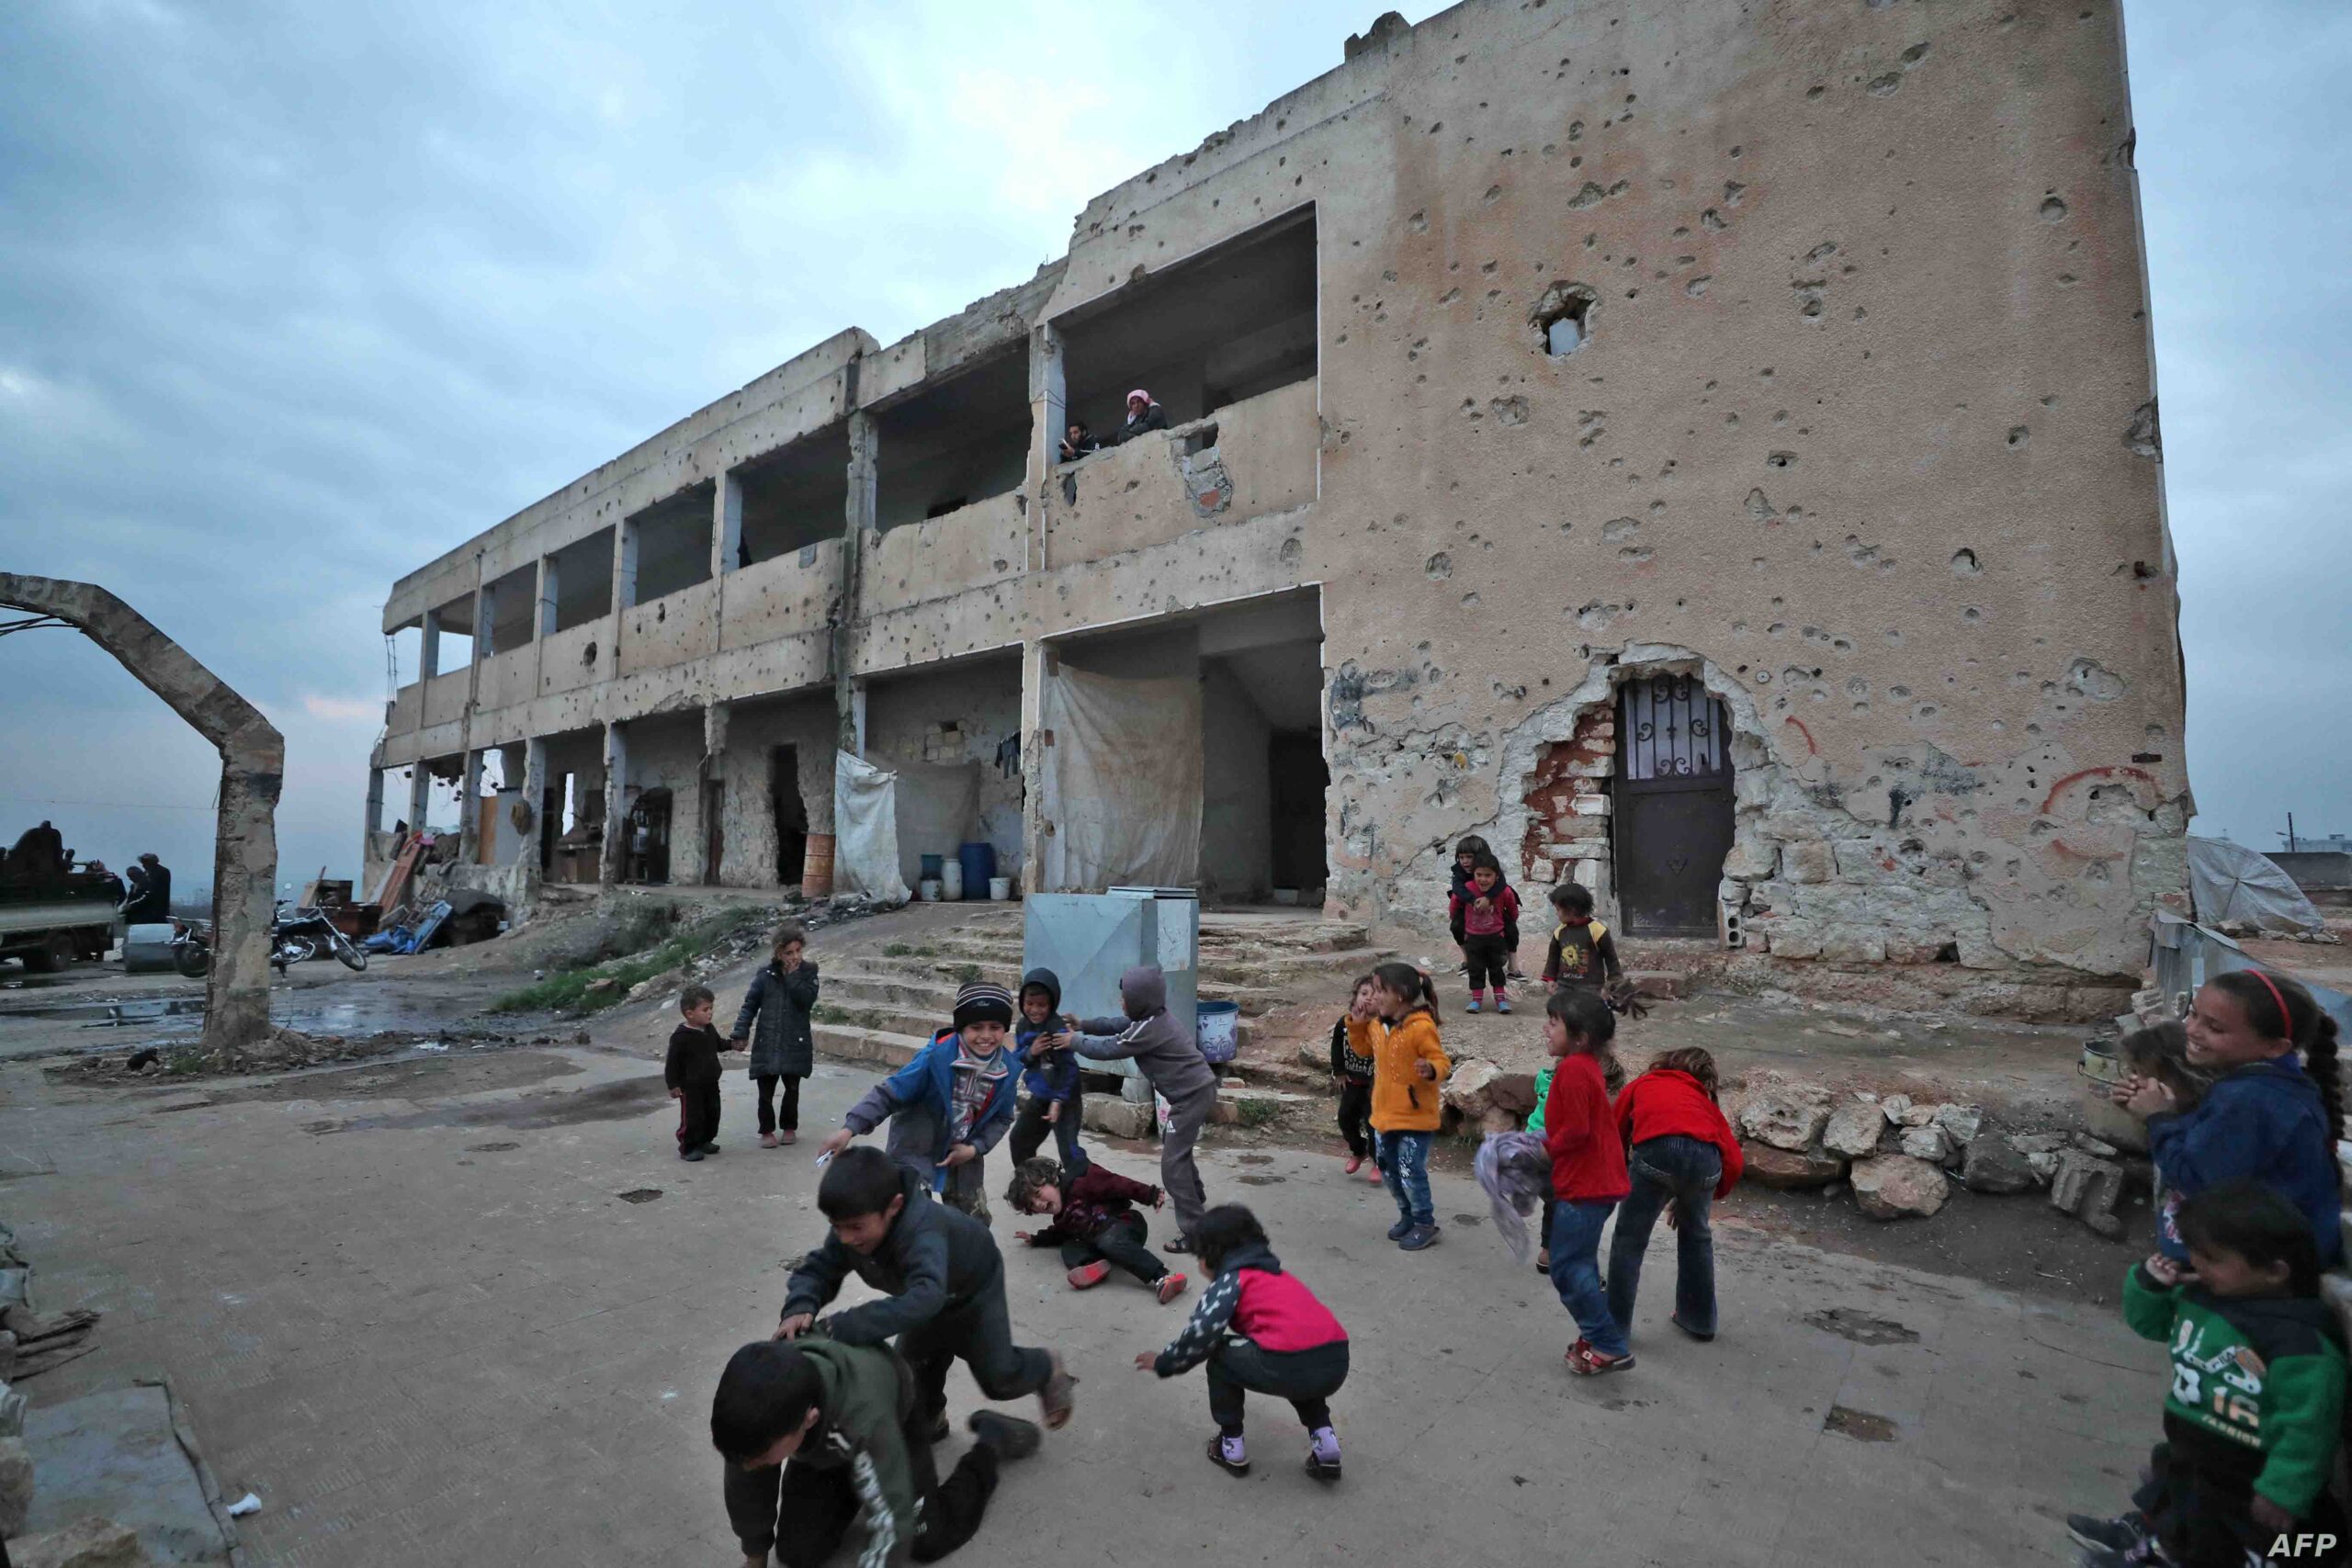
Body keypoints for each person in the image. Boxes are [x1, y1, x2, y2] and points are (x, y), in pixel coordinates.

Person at [2070, 1184, 2346, 1568]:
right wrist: (2149, 1285)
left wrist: (2283, 1491)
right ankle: (2160, 1543)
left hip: (2251, 1474)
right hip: (2197, 1454)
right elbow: (2150, 1324)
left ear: (2274, 1272)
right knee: (2183, 1505)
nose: (2196, 1265)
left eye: (2212, 1259)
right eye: (2194, 1253)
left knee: (2255, 1541)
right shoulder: (2204, 1298)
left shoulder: (2299, 1343)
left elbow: (2308, 1427)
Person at [776, 1146, 1075, 1442]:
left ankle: (1045, 1366)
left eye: (854, 1228)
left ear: (894, 1206)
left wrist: (845, 1326)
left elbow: (926, 1298)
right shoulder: (854, 1223)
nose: (845, 1238)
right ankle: (931, 1419)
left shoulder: (922, 1233)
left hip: (974, 1288)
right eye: (836, 1227)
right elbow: (820, 1268)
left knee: (998, 1378)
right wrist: (800, 1305)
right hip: (925, 1292)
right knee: (910, 1374)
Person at [711, 1336, 1040, 1568]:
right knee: (799, 1553)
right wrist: (755, 1555)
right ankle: (855, 1479)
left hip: (895, 1418)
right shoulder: (756, 1412)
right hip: (832, 1436)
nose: (752, 1464)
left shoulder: (867, 1421)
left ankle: (991, 1442)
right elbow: (746, 1479)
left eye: (762, 1458)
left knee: (926, 1539)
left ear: (807, 1420)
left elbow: (891, 1523)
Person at [2113, 971, 2346, 1269]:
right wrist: (2158, 1110)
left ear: (2275, 1047)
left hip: (2256, 1271)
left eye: (2215, 1028)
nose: (2191, 1030)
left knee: (2142, 1286)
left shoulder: (2248, 1100)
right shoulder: (2267, 1084)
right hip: (2259, 1256)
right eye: (2193, 1014)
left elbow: (2201, 1183)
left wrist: (2158, 1118)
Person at [1136, 1204, 1348, 1483]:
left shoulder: (1230, 1281)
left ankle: (1231, 1446)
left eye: (1199, 1257)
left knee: (1220, 1357)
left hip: (1286, 1362)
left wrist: (1165, 1361)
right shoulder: (1277, 1276)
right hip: (1335, 1358)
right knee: (1302, 1371)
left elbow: (1202, 1335)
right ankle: (1325, 1442)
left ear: (1212, 1256)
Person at [1033, 965, 1217, 1252]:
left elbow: (1109, 1048)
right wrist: (1083, 1024)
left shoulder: (1149, 1029)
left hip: (1191, 1097)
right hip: (1193, 1093)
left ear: (1141, 1001)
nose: (1121, 1002)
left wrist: (1074, 1041)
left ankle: (1196, 1232)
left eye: (1126, 998)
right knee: (1176, 1150)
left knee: (1172, 1166)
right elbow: (1115, 1024)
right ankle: (1195, 1198)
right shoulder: (1150, 1018)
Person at [817, 980, 1024, 1221]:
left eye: (995, 1027)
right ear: (960, 1027)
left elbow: (1002, 1118)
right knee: (910, 1218)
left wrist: (974, 1149)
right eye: (976, 1027)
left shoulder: (1006, 1071)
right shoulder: (933, 1060)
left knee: (972, 1223)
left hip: (962, 1155)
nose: (986, 1036)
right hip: (915, 1150)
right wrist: (849, 1129)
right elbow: (888, 1094)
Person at [1606, 1046, 1742, 1342]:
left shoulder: (1644, 1084)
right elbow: (1734, 1160)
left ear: (1666, 1062)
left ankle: (1614, 1329)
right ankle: (1699, 1321)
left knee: (1629, 1240)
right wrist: (1699, 1193)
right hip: (1706, 1162)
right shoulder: (1705, 1103)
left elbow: (1614, 1129)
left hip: (1657, 1151)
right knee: (1697, 1237)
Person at [1543, 987, 1633, 1375]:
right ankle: (1595, 1335)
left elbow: (1577, 1131)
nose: (1546, 1029)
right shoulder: (1583, 1065)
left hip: (1587, 1187)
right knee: (1577, 1264)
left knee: (1567, 1267)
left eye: (1554, 1023)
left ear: (1579, 1037)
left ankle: (1608, 1343)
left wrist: (1541, 1150)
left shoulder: (1574, 1069)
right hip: (1592, 1182)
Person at [1006, 1156, 1187, 1303]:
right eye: (1032, 1205)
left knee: (1110, 1242)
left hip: (1125, 1225)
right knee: (1069, 1247)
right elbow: (1058, 1233)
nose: (1039, 1204)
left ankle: (1163, 1277)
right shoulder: (1061, 1218)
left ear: (1052, 1179)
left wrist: (1149, 1194)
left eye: (1038, 1194)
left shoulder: (1082, 1181)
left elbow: (1118, 1184)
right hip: (1101, 1242)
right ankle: (1093, 1267)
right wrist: (1036, 1239)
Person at [2116, 1018, 2218, 1267]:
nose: (2137, 1082)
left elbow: (2192, 1176)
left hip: (2208, 1260)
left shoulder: (2210, 1124)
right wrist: (2143, 1118)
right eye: (2133, 1073)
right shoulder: (2177, 1115)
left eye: (2145, 1075)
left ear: (2184, 1075)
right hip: (2177, 1246)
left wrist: (2157, 1119)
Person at [1368, 961, 1452, 1251]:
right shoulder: (1376, 1026)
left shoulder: (1421, 1028)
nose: (1375, 996)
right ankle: (1407, 1216)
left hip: (1415, 1117)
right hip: (1383, 1115)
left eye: (1380, 990)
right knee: (1388, 1170)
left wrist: (1431, 1069)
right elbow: (1362, 1048)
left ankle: (1424, 1223)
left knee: (1410, 1171)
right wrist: (1355, 1022)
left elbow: (1441, 1061)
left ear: (1400, 995)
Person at [732, 924, 820, 1148]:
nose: (795, 957)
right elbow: (750, 1005)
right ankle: (767, 1130)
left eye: (798, 950)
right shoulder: (765, 975)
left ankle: (789, 1127)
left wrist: (793, 977)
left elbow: (806, 1000)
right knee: (765, 1091)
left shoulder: (809, 973)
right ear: (778, 953)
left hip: (795, 1041)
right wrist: (741, 1032)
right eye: (789, 953)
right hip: (768, 1041)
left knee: (792, 1088)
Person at [1006, 968, 1086, 1173]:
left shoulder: (1057, 1029)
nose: (1035, 1010)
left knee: (1070, 1152)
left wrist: (1058, 1100)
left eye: (1041, 1005)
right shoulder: (1023, 1026)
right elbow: (1017, 1060)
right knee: (1019, 1140)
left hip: (1065, 1099)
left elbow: (1069, 1069)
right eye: (1029, 1004)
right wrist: (1031, 1052)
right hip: (1041, 1096)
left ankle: (1084, 1186)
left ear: (1052, 1004)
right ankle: (1031, 1183)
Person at [1328, 975, 1384, 1182]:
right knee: (1345, 1119)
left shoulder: (1380, 1026)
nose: (1368, 998)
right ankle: (1359, 1151)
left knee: (1373, 1126)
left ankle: (1379, 1162)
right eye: (1364, 993)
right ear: (1355, 997)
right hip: (1351, 1083)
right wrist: (1339, 1072)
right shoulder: (1344, 1024)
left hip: (1373, 1088)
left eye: (1374, 995)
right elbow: (1336, 1048)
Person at [667, 985, 728, 1161]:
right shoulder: (680, 1037)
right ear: (690, 1014)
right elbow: (672, 1063)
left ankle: (705, 1141)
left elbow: (719, 1044)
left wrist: (733, 1044)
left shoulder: (709, 1029)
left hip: (711, 1083)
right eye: (705, 1009)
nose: (710, 1013)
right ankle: (688, 1147)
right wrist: (673, 1085)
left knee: (713, 1113)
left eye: (711, 1008)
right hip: (690, 1087)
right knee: (693, 1118)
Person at [1453, 858, 1520, 1013]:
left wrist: (1511, 922)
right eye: (1479, 875)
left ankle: (1501, 1000)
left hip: (1496, 937)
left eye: (1488, 875)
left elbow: (1512, 907)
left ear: (1497, 876)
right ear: (1473, 874)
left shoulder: (1503, 891)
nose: (1483, 879)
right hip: (1473, 937)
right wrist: (1454, 917)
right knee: (1475, 969)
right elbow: (1455, 902)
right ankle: (1476, 1001)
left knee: (1496, 969)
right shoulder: (1467, 889)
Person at [1541, 881, 1623, 994]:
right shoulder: (1559, 932)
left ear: (1572, 909)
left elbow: (1611, 959)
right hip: (1564, 986)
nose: (1557, 914)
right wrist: (1550, 979)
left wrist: (1614, 982)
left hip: (1591, 987)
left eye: (1558, 909)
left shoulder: (1598, 930)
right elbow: (1553, 958)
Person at [122, 852, 171, 925]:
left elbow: (152, 892)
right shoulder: (147, 873)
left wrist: (133, 905)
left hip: (155, 910)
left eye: (145, 862)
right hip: (146, 911)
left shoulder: (161, 872)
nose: (143, 865)